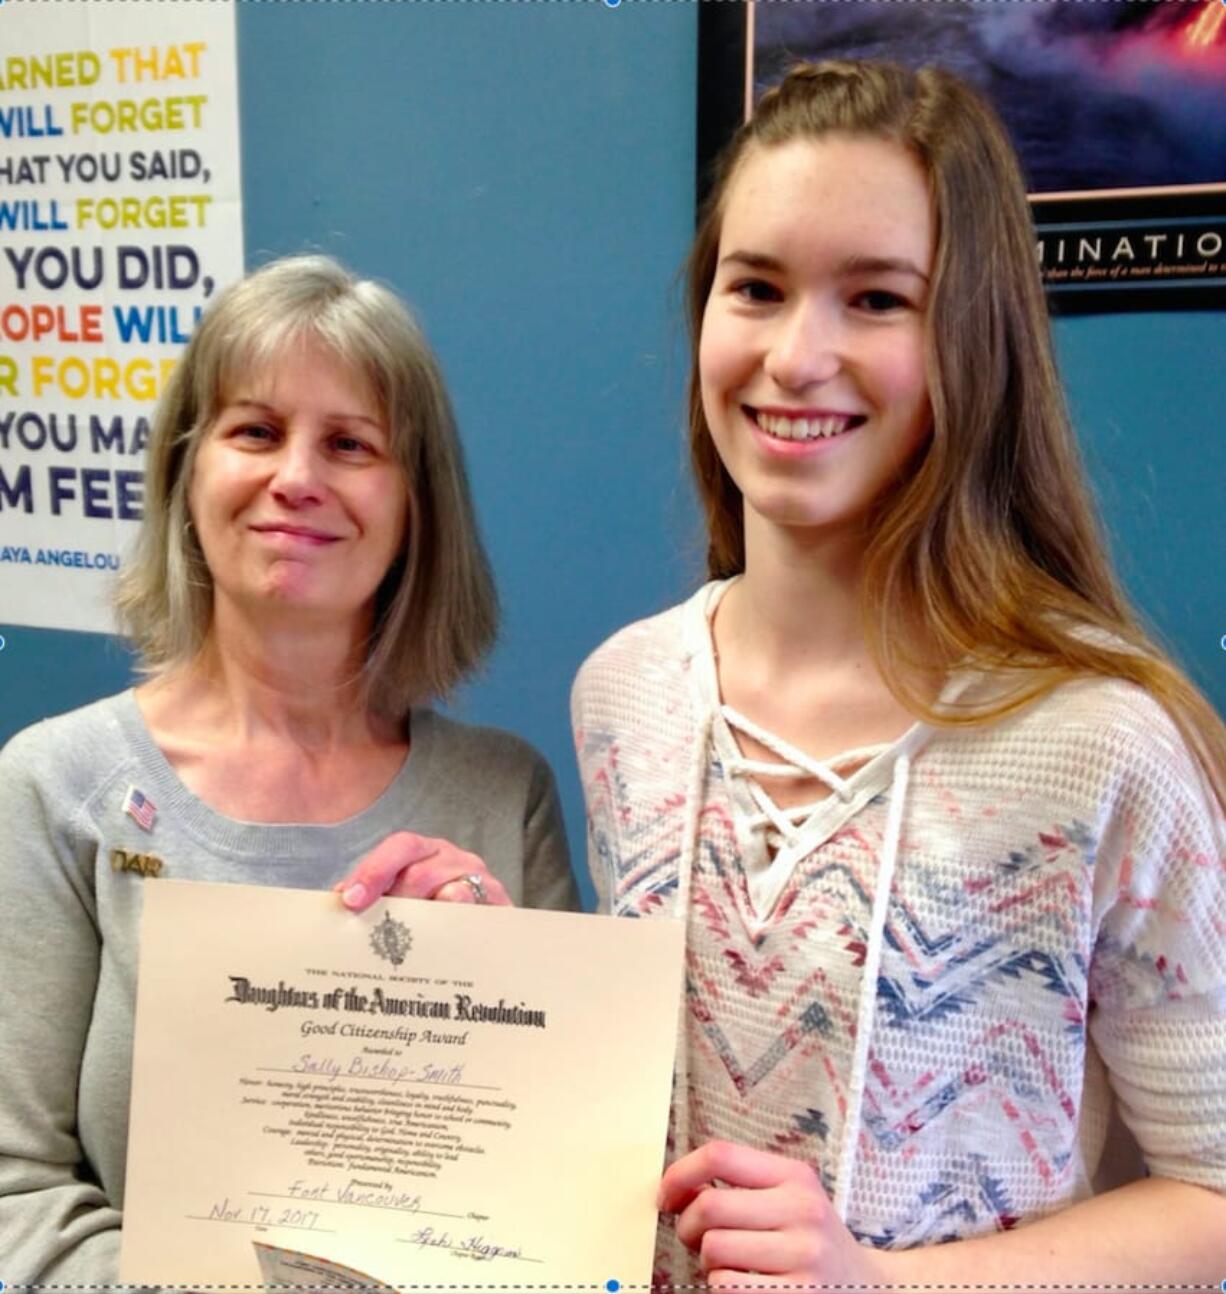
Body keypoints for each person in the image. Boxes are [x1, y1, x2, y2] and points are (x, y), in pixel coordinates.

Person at [571, 61, 1226, 1289]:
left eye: (874, 300)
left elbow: (1212, 1197)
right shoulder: (623, 696)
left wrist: (875, 1281)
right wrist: (475, 991)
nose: (794, 355)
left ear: (968, 336)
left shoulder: (1096, 741)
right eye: (753, 287)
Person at [0, 254, 578, 1281]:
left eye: (351, 444)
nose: (297, 478)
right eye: (254, 431)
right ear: (187, 472)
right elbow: (15, 1196)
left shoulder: (504, 796)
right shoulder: (56, 787)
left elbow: (564, 1201)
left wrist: (504, 1010)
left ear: (416, 506)